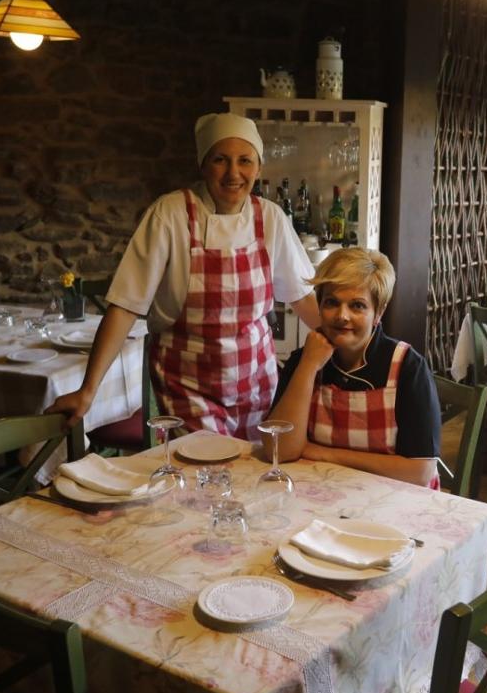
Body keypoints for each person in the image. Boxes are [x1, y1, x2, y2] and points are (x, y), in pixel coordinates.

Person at [48, 113, 320, 438]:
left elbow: (302, 297)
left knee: (255, 467)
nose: (234, 173)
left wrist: (354, 349)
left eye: (245, 161)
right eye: (220, 160)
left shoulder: (271, 218)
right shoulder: (170, 214)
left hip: (257, 383)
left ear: (259, 167)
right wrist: (88, 390)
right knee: (206, 466)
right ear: (202, 165)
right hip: (188, 385)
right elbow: (125, 306)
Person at [268, 248, 441, 487]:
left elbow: (419, 472)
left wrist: (323, 453)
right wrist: (308, 366)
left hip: (395, 500)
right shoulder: (303, 359)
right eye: (331, 302)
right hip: (323, 491)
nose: (342, 316)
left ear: (378, 312)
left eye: (357, 306)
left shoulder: (407, 367)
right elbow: (280, 450)